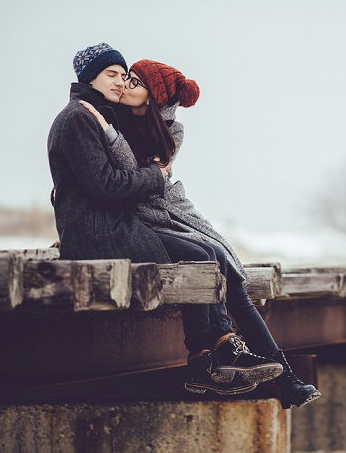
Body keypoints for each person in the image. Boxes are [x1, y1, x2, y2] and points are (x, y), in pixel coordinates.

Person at [80, 59, 322, 409]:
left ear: (153, 96)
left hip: (168, 209)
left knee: (227, 267)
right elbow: (132, 177)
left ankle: (283, 378)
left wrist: (128, 151)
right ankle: (219, 351)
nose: (126, 85)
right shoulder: (110, 115)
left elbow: (149, 177)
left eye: (135, 81)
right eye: (126, 78)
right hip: (142, 218)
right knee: (208, 259)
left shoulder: (170, 130)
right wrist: (110, 131)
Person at [47, 43, 171, 265]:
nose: (120, 82)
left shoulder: (98, 115)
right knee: (201, 257)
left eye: (123, 76)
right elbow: (107, 185)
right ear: (90, 78)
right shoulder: (78, 118)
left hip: (110, 228)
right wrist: (155, 176)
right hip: (98, 236)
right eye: (111, 74)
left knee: (208, 253)